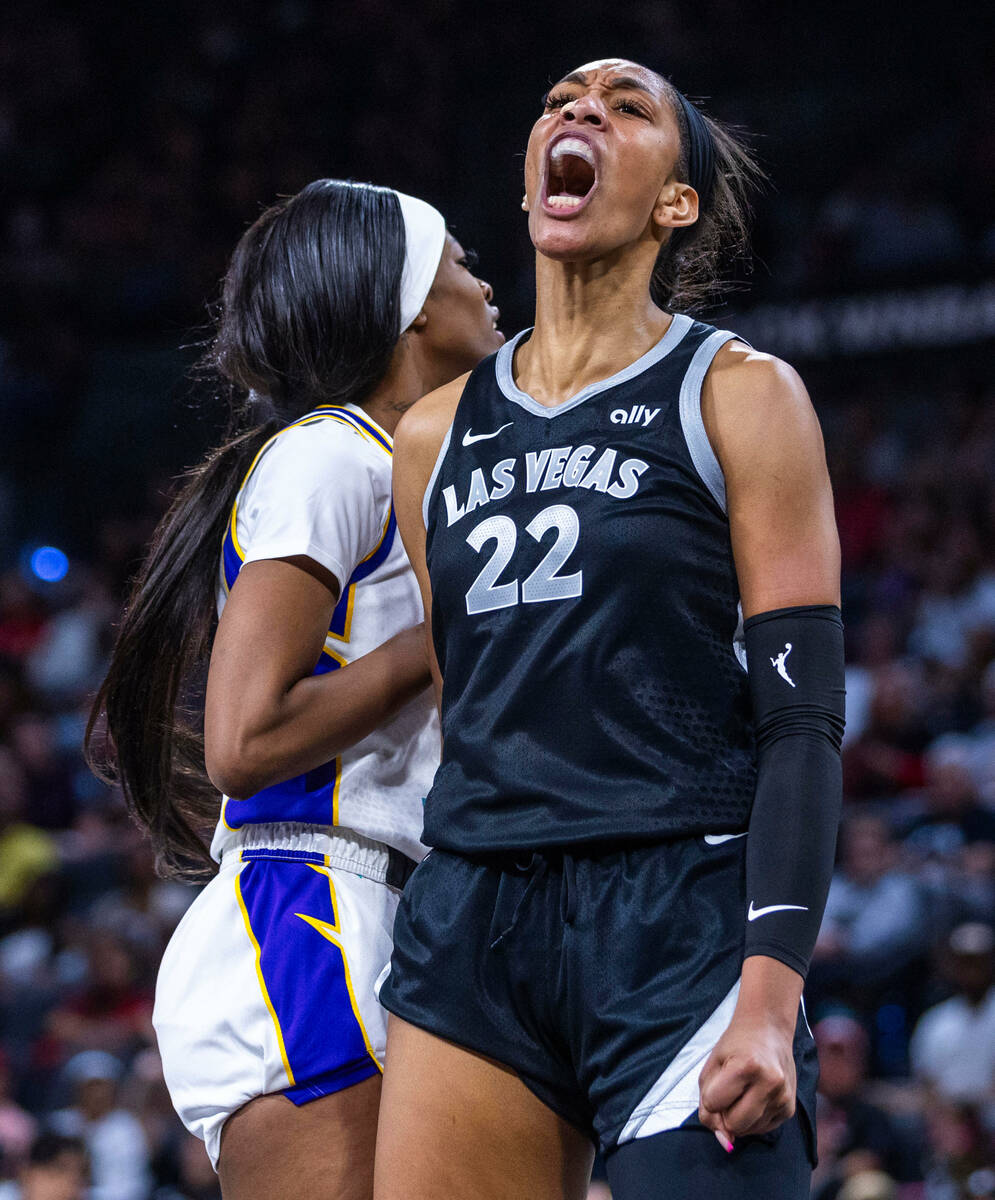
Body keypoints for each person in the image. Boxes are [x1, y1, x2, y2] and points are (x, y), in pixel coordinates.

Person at [376, 60, 844, 1200]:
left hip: (676, 910)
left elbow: (800, 719)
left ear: (674, 203)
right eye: (556, 100)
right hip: (475, 917)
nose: (577, 110)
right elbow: (463, 700)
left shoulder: (736, 392)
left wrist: (770, 995)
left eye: (625, 107)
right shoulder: (431, 437)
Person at [86, 179, 502, 1199]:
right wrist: (439, 640)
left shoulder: (406, 467)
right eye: (455, 258)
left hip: (391, 907)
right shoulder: (328, 453)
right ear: (403, 302)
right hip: (307, 913)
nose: (483, 280)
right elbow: (241, 738)